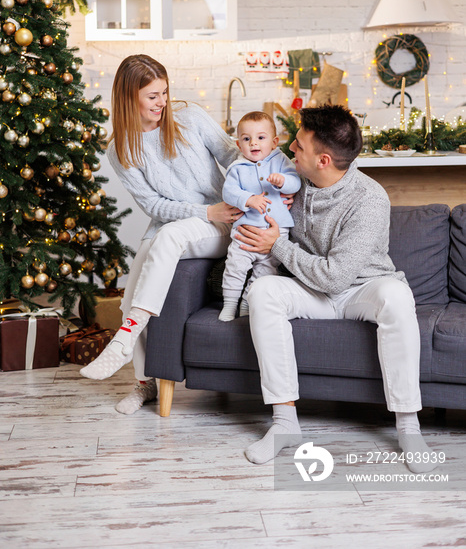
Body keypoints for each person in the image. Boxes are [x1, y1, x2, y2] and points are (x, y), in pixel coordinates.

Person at [236, 105, 436, 474]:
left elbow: (335, 278)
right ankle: (284, 424)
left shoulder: (369, 199)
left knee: (396, 296)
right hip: (310, 289)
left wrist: (276, 245)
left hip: (362, 288)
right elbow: (245, 163)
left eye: (298, 146)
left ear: (323, 159)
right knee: (264, 291)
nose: (290, 151)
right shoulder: (292, 183)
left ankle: (409, 427)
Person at [80, 54, 243, 414]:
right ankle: (144, 384)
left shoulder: (191, 119)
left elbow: (234, 154)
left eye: (165, 93)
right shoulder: (120, 148)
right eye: (152, 96)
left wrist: (258, 181)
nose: (162, 102)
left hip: (224, 221)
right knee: (129, 298)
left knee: (169, 238)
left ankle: (123, 343)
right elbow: (153, 205)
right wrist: (201, 211)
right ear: (129, 98)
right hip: (184, 222)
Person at [219, 111, 301, 321]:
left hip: (277, 231)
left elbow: (295, 181)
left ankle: (248, 302)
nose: (253, 143)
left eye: (261, 138)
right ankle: (229, 305)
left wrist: (283, 181)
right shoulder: (237, 168)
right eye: (246, 139)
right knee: (235, 267)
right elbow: (229, 192)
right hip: (246, 230)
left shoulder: (281, 161)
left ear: (274, 142)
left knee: (266, 271)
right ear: (239, 144)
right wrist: (248, 199)